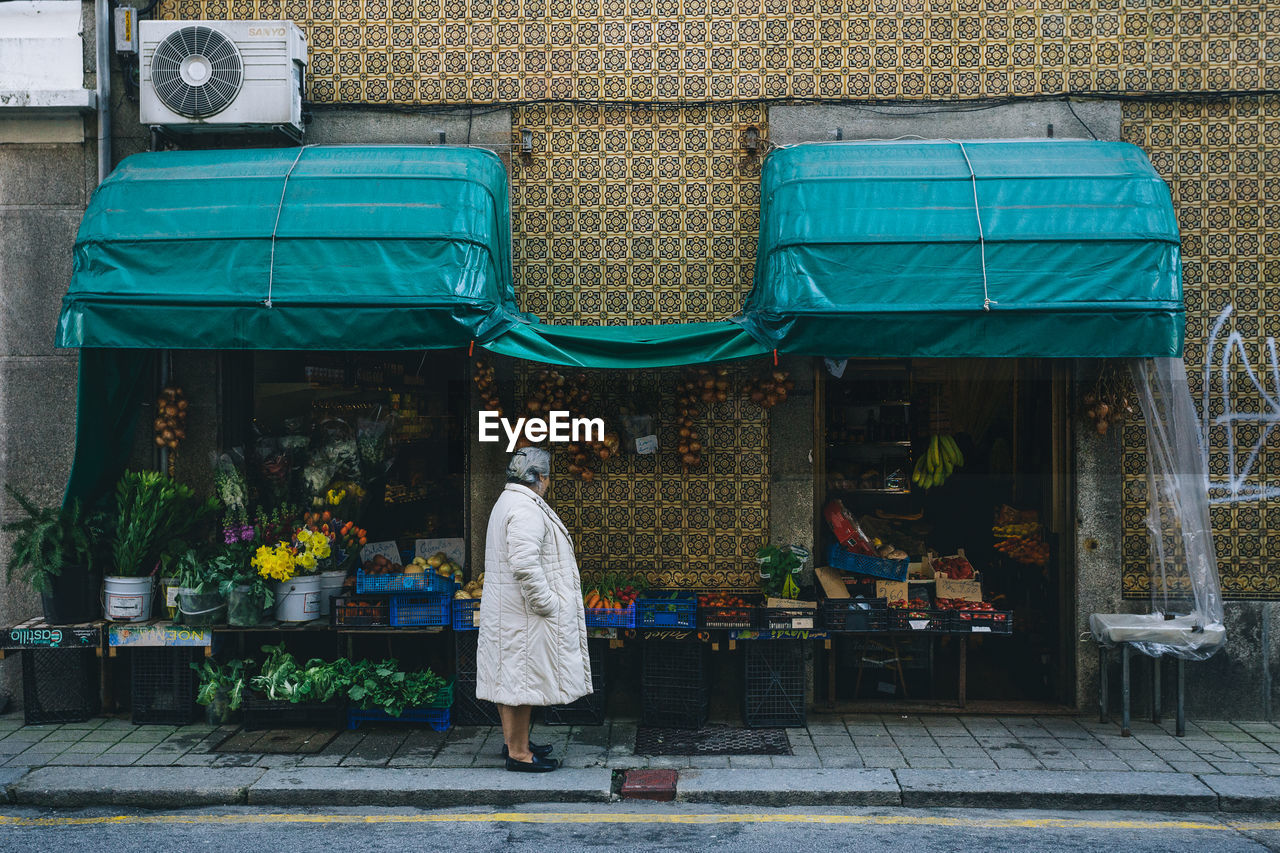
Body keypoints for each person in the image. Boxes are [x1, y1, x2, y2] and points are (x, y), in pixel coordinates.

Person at [476, 446, 592, 772]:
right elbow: (525, 564)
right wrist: (548, 603)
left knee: (511, 681)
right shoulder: (525, 508)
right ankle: (519, 754)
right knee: (521, 684)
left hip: (512, 611)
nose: (548, 482)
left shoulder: (508, 501)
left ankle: (517, 742)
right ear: (540, 477)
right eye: (548, 476)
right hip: (523, 614)